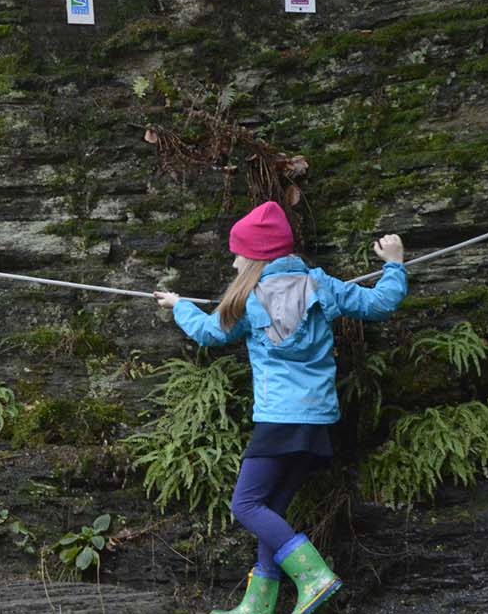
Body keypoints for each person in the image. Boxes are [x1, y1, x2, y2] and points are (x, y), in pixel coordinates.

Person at [151, 201, 407, 614]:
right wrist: (394, 264)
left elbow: (206, 333)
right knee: (271, 509)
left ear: (256, 258)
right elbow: (380, 304)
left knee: (246, 505)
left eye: (238, 254)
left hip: (278, 420)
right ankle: (258, 605)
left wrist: (178, 304)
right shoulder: (321, 285)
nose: (234, 264)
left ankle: (313, 576)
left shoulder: (250, 300)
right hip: (318, 421)